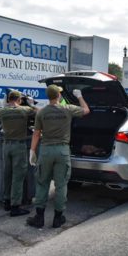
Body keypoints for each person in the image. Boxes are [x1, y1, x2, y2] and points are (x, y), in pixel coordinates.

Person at [26, 85, 90, 229]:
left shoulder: (41, 112)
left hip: (46, 150)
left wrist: (32, 151)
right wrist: (79, 96)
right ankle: (58, 218)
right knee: (61, 185)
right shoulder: (67, 109)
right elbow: (86, 110)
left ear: (48, 96)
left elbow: (36, 134)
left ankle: (39, 218)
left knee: (42, 183)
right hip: (62, 151)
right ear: (59, 96)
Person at [0, 90, 37, 217]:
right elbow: (39, 112)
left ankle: (7, 202)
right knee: (18, 177)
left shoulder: (2, 110)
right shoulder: (24, 110)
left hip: (6, 146)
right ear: (19, 99)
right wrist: (31, 104)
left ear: (8, 99)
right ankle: (15, 207)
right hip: (19, 146)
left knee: (7, 174)